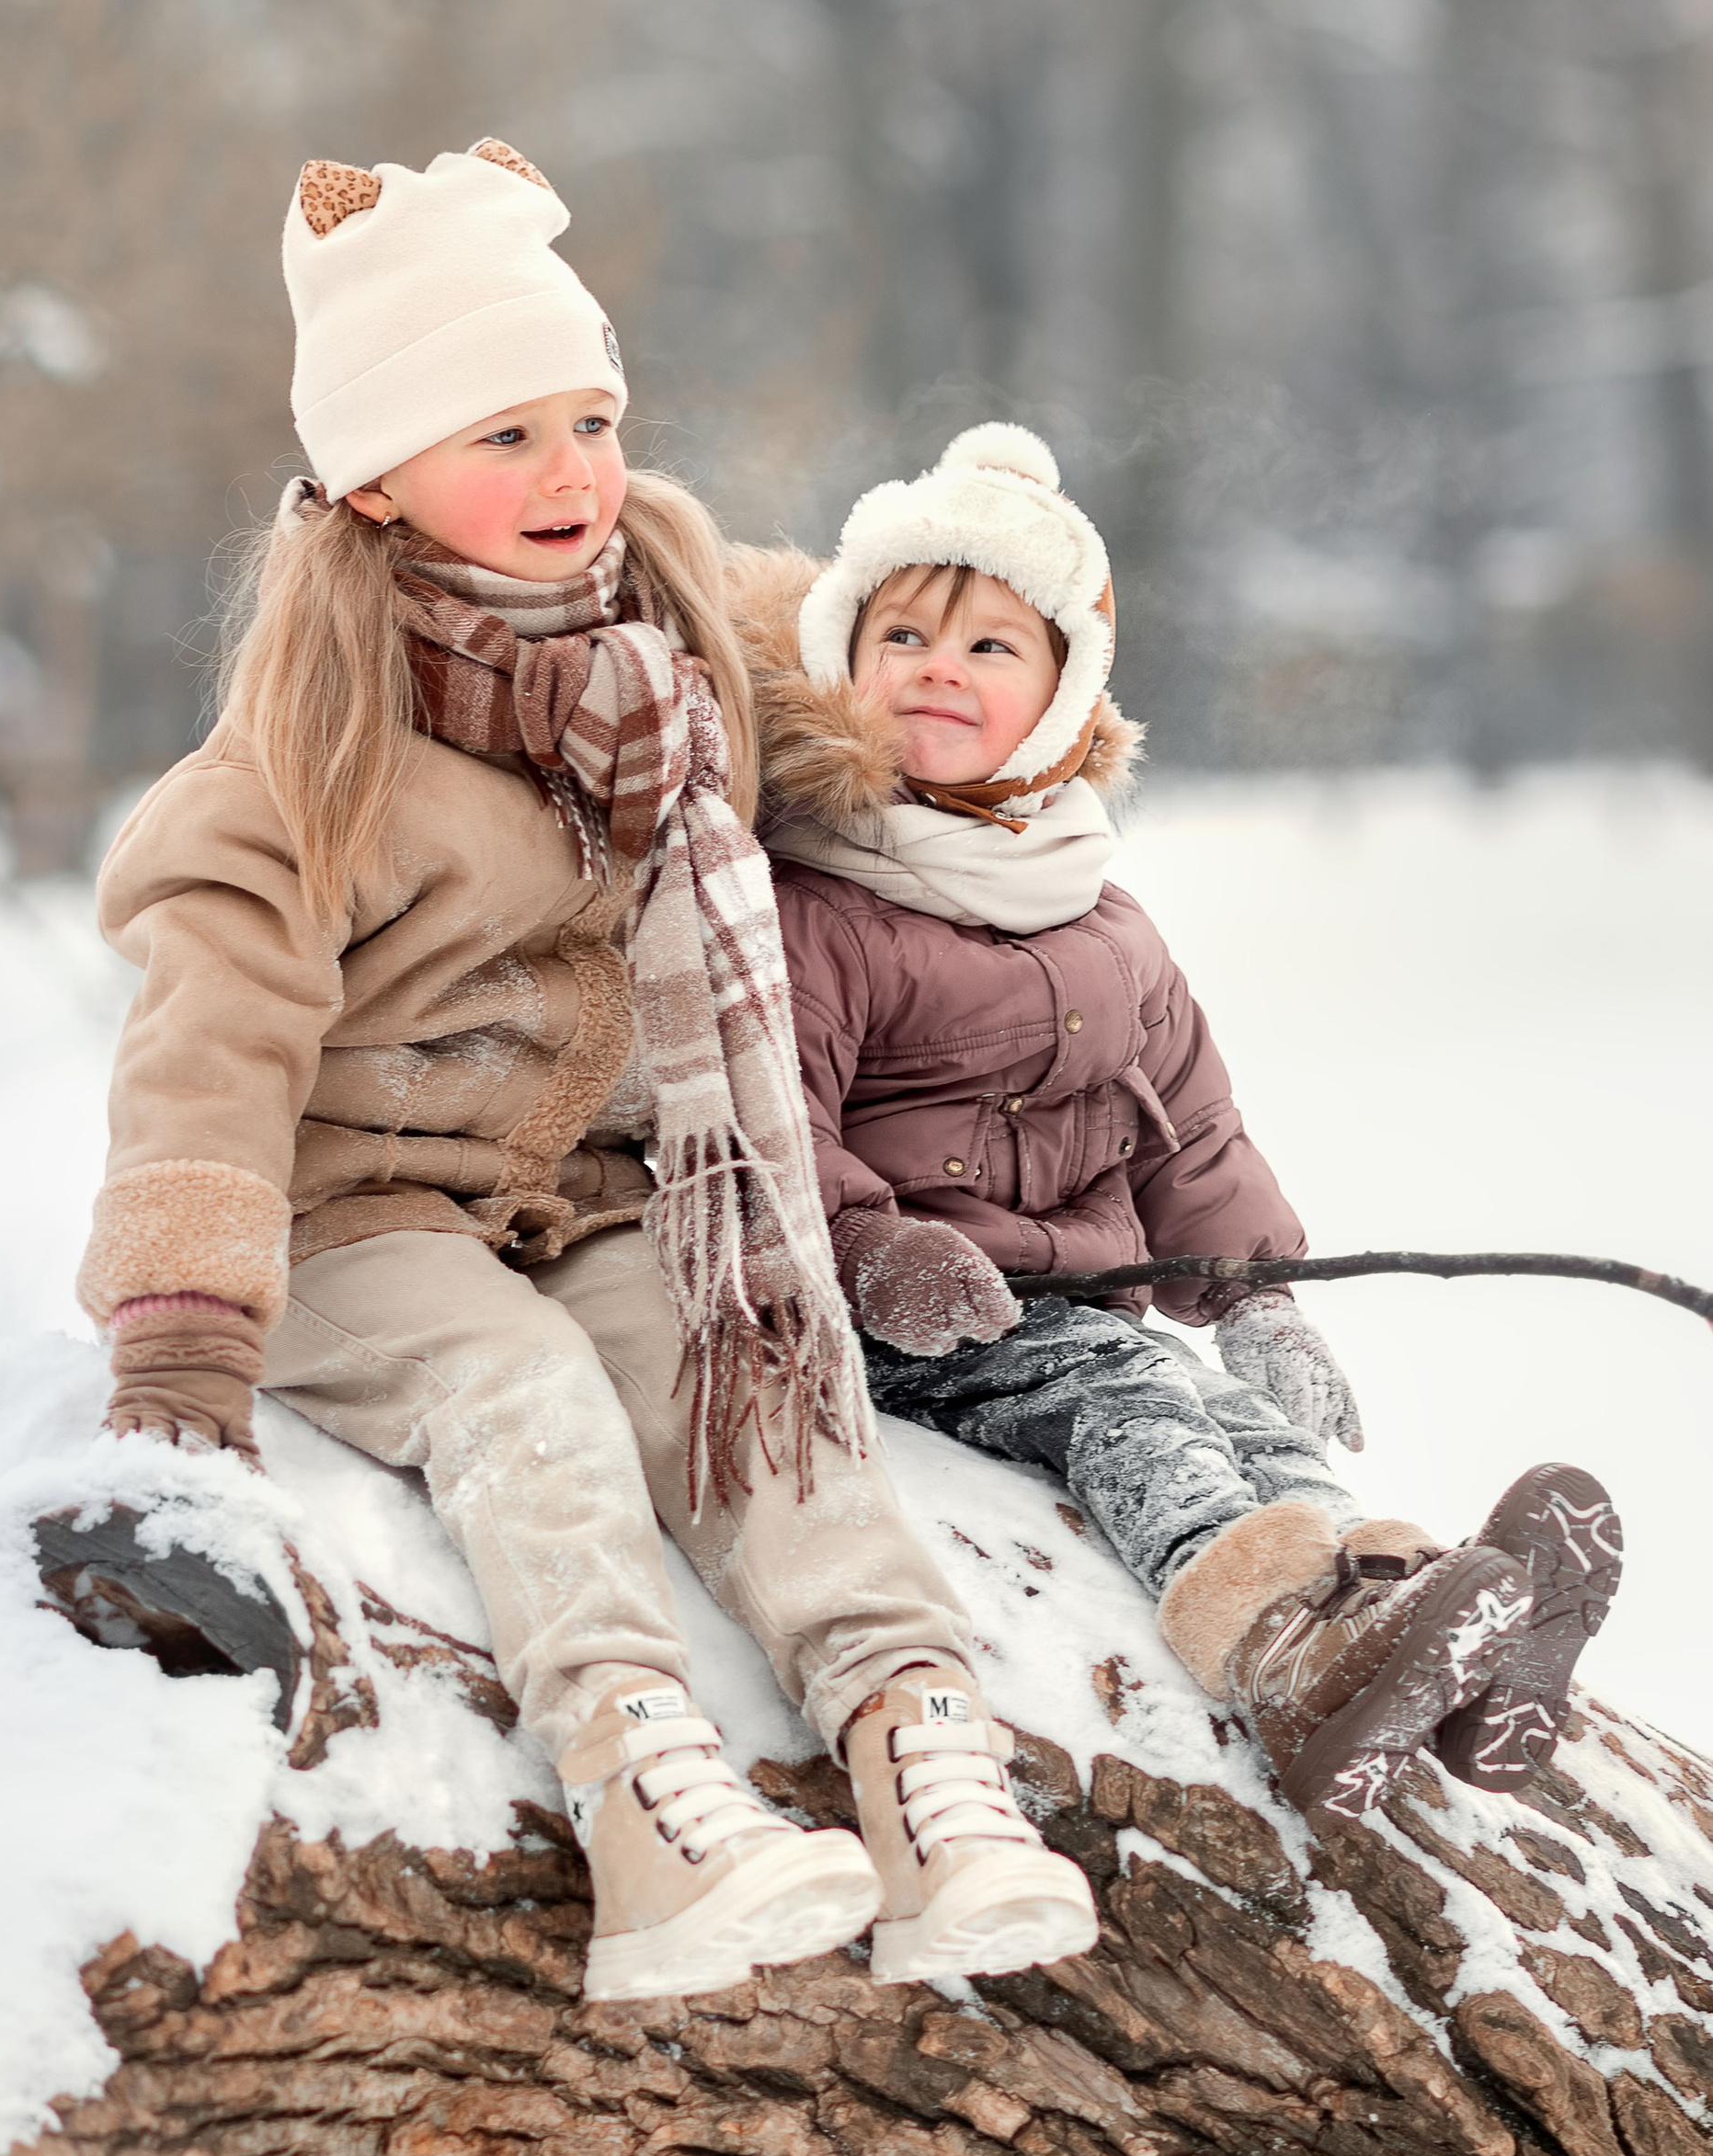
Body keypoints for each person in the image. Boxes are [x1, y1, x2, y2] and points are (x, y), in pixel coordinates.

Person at [74, 150, 1096, 2002]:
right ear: (376, 478)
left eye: (589, 419)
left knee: (748, 1373)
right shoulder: (305, 748)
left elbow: (858, 676)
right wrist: (181, 1334)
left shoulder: (672, 624)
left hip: (610, 1189)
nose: (569, 475)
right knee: (527, 1400)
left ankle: (913, 1742)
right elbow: (203, 1056)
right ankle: (644, 1799)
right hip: (361, 1219)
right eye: (502, 436)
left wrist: (984, 696)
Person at [735, 423, 1623, 1825]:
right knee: (1137, 1411)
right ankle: (1280, 1652)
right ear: (844, 661)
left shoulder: (1103, 915)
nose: (936, 670)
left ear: (1064, 704)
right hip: (915, 1328)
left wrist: (1258, 1296)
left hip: (1081, 1307)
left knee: (1236, 1421)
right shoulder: (815, 901)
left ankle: (1427, 1620)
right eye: (900, 634)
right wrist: (872, 1254)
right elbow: (766, 1117)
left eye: (988, 649)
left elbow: (1190, 1134)